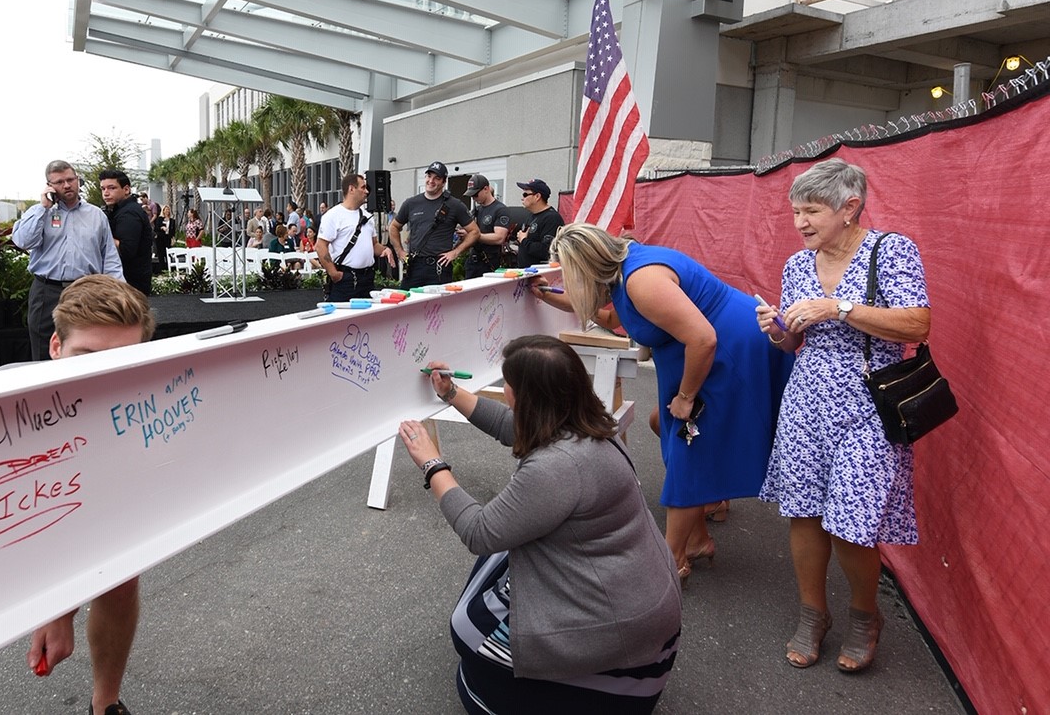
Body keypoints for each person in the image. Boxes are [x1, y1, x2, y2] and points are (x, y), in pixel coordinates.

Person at [0, 274, 154, 715]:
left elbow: (101, 508)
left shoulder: (139, 408)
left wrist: (60, 608)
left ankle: (106, 704)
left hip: (69, 504)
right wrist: (50, 603)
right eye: (86, 356)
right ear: (56, 348)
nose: (101, 373)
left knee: (122, 576)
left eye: (121, 358)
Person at [398, 336, 681, 714]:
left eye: (507, 385)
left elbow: (479, 531)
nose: (506, 394)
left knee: (467, 628)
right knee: (505, 555)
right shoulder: (591, 424)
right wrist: (452, 394)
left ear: (528, 397)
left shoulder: (556, 467)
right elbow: (512, 426)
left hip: (624, 633)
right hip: (643, 613)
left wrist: (433, 465)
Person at [538, 222, 792, 586]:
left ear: (586, 266)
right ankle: (703, 525)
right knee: (668, 427)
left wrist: (687, 398)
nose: (568, 279)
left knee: (687, 440)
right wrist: (549, 294)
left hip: (730, 353)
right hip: (712, 350)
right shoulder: (624, 271)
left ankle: (675, 558)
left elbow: (703, 339)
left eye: (568, 272)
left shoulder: (642, 281)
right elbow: (611, 317)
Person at [754, 158, 931, 673]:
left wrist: (838, 308)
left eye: (811, 211)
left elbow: (917, 323)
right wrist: (779, 330)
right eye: (795, 212)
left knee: (853, 524)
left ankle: (863, 616)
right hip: (807, 399)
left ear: (850, 207)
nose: (800, 223)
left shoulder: (890, 250)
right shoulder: (796, 264)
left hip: (870, 405)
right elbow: (794, 342)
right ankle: (814, 615)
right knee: (804, 510)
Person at [12, 160, 123, 360]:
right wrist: (43, 207)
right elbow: (22, 241)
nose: (66, 185)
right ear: (49, 186)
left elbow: (110, 258)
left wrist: (120, 293)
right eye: (59, 182)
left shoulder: (96, 215)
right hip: (47, 292)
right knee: (43, 350)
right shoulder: (39, 213)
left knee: (85, 348)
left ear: (78, 180)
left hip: (85, 291)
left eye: (71, 179)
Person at [388, 162, 478, 287]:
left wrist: (456, 252)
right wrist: (400, 252)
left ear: (443, 182)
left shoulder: (454, 205)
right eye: (429, 176)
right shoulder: (411, 203)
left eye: (437, 178)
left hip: (440, 267)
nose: (431, 181)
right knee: (408, 304)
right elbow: (393, 227)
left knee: (439, 306)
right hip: (414, 266)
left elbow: (474, 232)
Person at [316, 173, 394, 301]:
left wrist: (385, 250)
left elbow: (374, 245)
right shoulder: (333, 215)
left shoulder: (367, 216)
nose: (367, 191)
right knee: (341, 318)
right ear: (351, 189)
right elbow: (320, 246)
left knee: (367, 319)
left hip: (367, 278)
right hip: (345, 279)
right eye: (363, 188)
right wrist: (334, 273)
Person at [98, 170, 153, 296]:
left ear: (126, 189)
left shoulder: (129, 213)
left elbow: (126, 249)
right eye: (103, 189)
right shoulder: (121, 210)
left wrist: (101, 236)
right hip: (126, 282)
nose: (106, 193)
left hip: (130, 284)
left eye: (111, 188)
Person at [461, 173, 510, 278]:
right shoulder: (477, 209)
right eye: (471, 196)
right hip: (473, 261)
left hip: (488, 262)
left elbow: (499, 238)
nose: (473, 198)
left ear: (486, 189)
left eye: (475, 194)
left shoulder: (500, 209)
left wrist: (474, 235)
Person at [514, 178, 564, 267]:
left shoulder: (552, 218)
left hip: (540, 274)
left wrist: (524, 240)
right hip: (525, 272)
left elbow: (547, 250)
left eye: (525, 194)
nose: (522, 198)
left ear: (537, 196)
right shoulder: (531, 216)